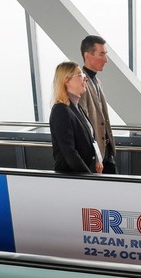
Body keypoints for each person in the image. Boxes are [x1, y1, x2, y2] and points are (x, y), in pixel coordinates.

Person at [49, 61, 103, 174]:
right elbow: (70, 153)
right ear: (66, 81)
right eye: (80, 75)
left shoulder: (77, 107)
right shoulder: (60, 111)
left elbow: (90, 139)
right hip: (73, 178)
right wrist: (89, 177)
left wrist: (97, 160)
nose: (85, 78)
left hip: (85, 173)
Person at [80, 35, 117, 174]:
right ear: (87, 55)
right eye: (101, 54)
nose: (106, 60)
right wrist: (95, 157)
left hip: (106, 154)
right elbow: (84, 124)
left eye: (105, 54)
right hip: (96, 157)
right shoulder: (81, 84)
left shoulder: (98, 82)